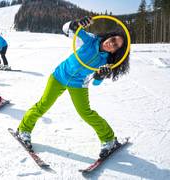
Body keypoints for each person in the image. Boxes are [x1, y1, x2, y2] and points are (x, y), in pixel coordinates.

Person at [16, 16, 130, 158]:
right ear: (109, 37)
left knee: (85, 113)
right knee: (43, 105)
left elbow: (95, 82)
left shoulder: (106, 61)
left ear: (115, 52)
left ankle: (109, 139)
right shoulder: (89, 39)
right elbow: (65, 29)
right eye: (113, 40)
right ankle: (23, 130)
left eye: (116, 46)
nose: (111, 45)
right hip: (59, 76)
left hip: (78, 84)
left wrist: (100, 76)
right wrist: (76, 24)